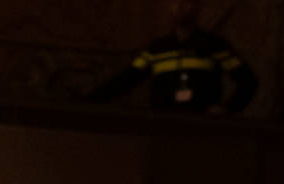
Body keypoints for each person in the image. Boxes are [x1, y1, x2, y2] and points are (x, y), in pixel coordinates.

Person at [89, 0, 257, 115]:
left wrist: (227, 109)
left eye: (186, 1)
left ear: (198, 6)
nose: (180, 6)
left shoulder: (214, 45)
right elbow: (126, 79)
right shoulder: (157, 49)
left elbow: (248, 81)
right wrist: (89, 101)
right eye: (175, 1)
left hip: (201, 127)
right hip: (162, 125)